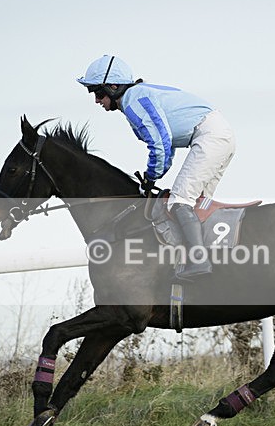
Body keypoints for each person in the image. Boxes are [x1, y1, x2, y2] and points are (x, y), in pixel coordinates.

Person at [77, 55, 235, 281]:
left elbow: (159, 143)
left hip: (210, 135)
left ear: (113, 87)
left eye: (98, 93)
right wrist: (155, 174)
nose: (96, 100)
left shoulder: (133, 100)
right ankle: (209, 264)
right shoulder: (136, 97)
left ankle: (199, 262)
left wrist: (151, 176)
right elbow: (166, 145)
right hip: (218, 134)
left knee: (180, 200)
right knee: (198, 204)